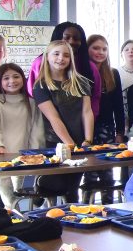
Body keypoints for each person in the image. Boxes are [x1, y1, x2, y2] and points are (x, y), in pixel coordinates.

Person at [32, 39, 95, 198]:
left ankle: (73, 220)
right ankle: (41, 188)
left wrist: (88, 140)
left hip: (80, 142)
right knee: (58, 185)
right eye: (56, 54)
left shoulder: (81, 82)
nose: (61, 58)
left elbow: (87, 112)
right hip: (56, 143)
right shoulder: (40, 85)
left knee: (73, 188)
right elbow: (54, 118)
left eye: (66, 55)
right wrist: (69, 144)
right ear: (47, 57)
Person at [0, 63, 44, 208]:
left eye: (16, 76)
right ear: (0, 81)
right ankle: (13, 219)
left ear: (23, 79)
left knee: (23, 192)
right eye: (6, 78)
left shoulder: (31, 102)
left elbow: (37, 129)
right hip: (1, 156)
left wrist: (35, 152)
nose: (12, 81)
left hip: (24, 156)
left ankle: (27, 220)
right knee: (8, 197)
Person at [27, 22, 103, 118]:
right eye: (66, 37)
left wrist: (90, 121)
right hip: (45, 122)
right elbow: (31, 95)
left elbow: (95, 97)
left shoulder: (89, 66)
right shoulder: (40, 63)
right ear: (57, 38)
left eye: (76, 38)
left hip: (81, 124)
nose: (71, 41)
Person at [86, 35, 125, 144]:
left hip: (107, 128)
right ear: (87, 49)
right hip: (83, 127)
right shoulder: (81, 72)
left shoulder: (113, 73)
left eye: (104, 49)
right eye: (96, 48)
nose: (101, 52)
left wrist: (120, 133)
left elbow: (118, 106)